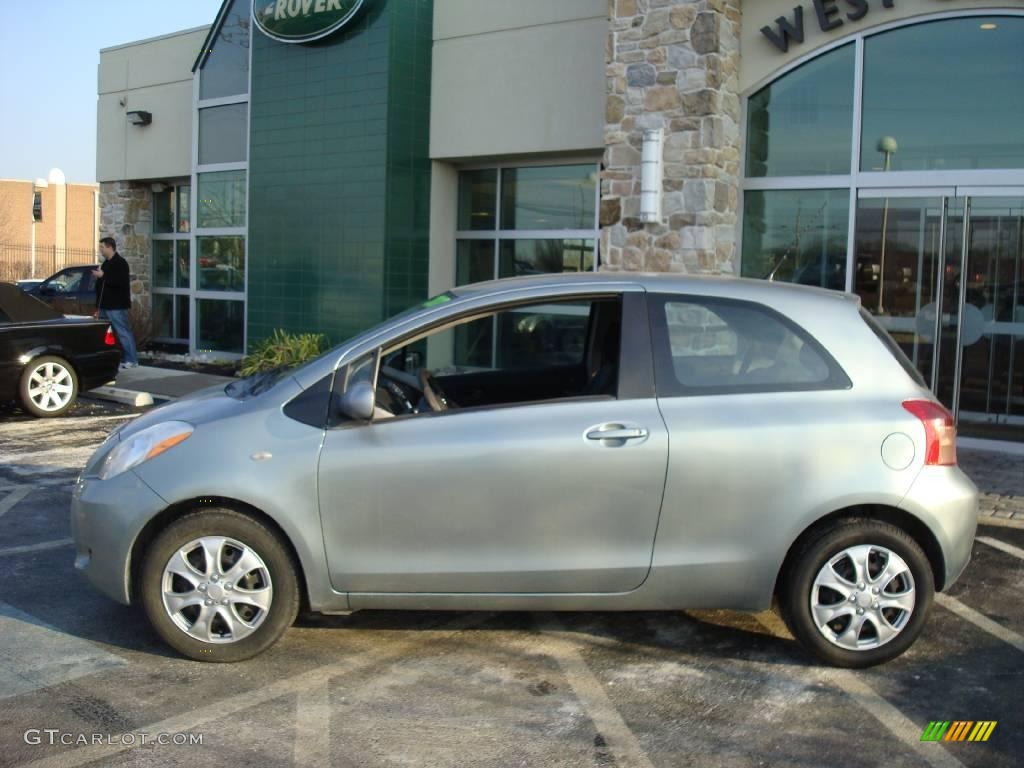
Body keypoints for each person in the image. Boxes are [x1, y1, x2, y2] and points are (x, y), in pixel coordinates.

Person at [93, 237, 139, 369]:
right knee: (105, 333)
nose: (100, 250)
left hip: (116, 306)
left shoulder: (120, 263)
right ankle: (111, 358)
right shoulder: (106, 264)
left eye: (102, 247)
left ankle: (132, 359)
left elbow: (119, 282)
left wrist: (103, 276)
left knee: (123, 332)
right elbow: (101, 286)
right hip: (104, 305)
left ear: (109, 247)